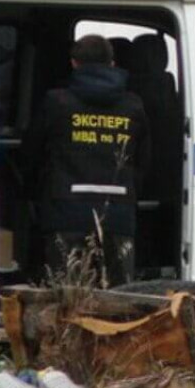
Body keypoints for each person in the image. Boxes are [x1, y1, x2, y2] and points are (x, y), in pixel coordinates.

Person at [23, 34, 151, 286]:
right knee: (117, 298)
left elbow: (32, 154)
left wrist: (35, 194)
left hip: (64, 212)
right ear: (113, 63)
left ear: (73, 63)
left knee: (66, 296)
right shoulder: (133, 106)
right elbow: (144, 163)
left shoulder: (55, 102)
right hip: (118, 215)